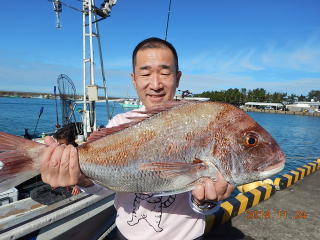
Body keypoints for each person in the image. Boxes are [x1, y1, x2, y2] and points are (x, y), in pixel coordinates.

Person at [39, 37, 235, 240]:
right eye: (146, 73)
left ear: (177, 78)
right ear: (134, 80)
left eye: (165, 73)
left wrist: (206, 202)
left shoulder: (200, 123)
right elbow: (104, 188)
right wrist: (80, 178)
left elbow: (205, 205)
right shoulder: (119, 122)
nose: (156, 84)